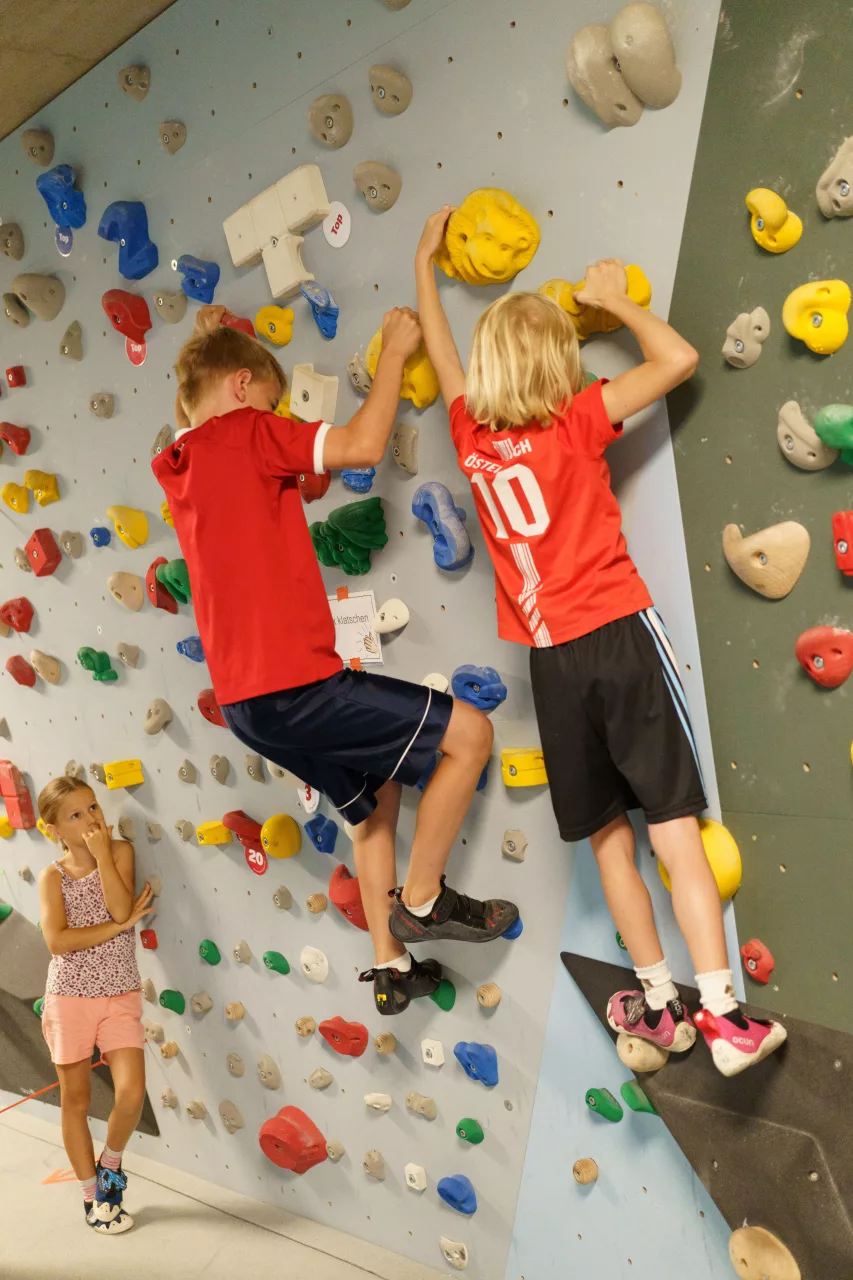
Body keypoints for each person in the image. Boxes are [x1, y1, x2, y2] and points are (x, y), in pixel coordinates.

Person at [414, 206, 786, 1077]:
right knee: (673, 830)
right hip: (618, 636)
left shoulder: (471, 436)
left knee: (608, 841)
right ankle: (723, 1015)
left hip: (553, 666)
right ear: (557, 365)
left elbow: (443, 357)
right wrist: (612, 301)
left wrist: (424, 268)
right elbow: (680, 361)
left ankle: (659, 1006)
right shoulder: (575, 419)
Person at [152, 304, 519, 1017]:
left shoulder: (184, 463)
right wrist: (393, 354)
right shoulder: (247, 432)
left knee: (374, 804)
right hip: (295, 683)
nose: (274, 414)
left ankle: (388, 962)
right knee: (470, 735)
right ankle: (422, 900)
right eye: (270, 399)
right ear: (239, 387)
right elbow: (359, 445)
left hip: (246, 708)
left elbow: (292, 485)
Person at [37, 777, 154, 1232]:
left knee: (129, 1093)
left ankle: (111, 1164)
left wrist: (104, 855)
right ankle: (94, 1198)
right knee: (76, 1101)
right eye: (76, 816)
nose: (91, 820)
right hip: (69, 999)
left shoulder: (120, 852)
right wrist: (113, 929)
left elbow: (122, 909)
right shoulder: (53, 877)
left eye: (92, 807)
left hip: (120, 992)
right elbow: (58, 942)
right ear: (54, 831)